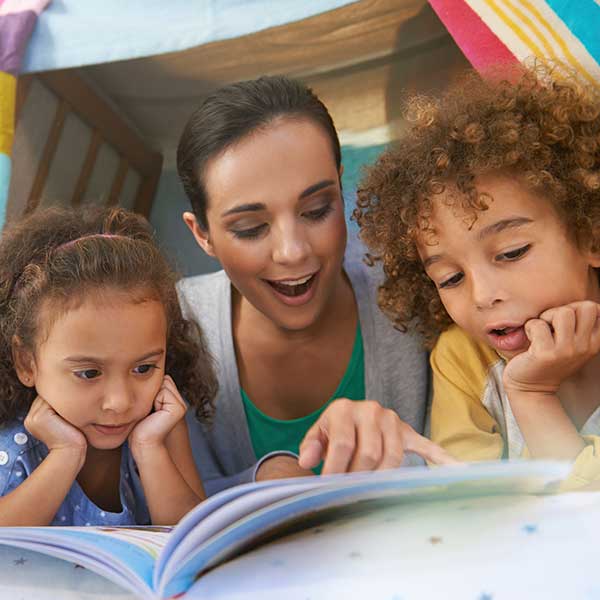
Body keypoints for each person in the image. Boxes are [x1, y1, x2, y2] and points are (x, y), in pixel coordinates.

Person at [176, 75, 454, 496]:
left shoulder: (423, 296)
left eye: (317, 210)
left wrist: (399, 455)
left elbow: (482, 468)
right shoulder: (166, 329)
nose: (292, 251)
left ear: (342, 187)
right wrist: (262, 481)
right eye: (251, 228)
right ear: (203, 235)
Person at [356, 63, 600, 490]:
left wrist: (533, 397)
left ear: (590, 235)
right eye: (450, 278)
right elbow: (472, 506)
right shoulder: (461, 359)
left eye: (511, 252)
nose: (483, 295)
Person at [0, 206, 217, 525]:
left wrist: (149, 448)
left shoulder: (161, 428)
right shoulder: (15, 447)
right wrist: (65, 455)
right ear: (26, 362)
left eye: (143, 368)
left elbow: (193, 540)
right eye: (89, 373)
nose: (120, 402)